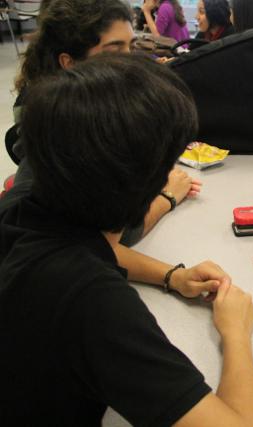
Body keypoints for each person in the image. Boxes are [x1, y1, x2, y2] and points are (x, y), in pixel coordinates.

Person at [0, 53, 253, 426]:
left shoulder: (24, 205)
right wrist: (236, 332)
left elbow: (92, 248)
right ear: (142, 186)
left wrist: (171, 276)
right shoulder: (91, 300)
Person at [4, 0, 221, 299]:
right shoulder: (61, 139)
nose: (130, 62)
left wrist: (172, 276)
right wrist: (165, 197)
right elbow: (103, 234)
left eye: (130, 47)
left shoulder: (81, 119)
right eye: (113, 50)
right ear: (69, 63)